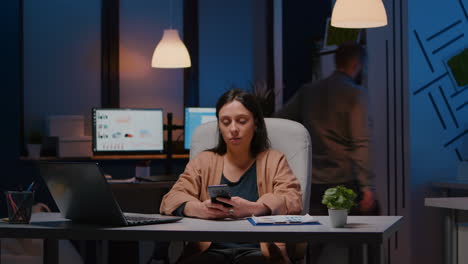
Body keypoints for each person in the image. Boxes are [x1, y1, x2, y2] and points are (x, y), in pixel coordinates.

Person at [160, 88, 303, 264]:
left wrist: (255, 208)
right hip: (209, 251)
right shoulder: (204, 161)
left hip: (260, 252)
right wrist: (199, 209)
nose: (233, 129)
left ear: (256, 123)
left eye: (242, 121)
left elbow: (293, 200)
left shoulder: (274, 159)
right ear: (219, 125)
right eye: (225, 122)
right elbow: (170, 199)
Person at [275, 42, 379, 263]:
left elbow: (279, 120)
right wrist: (367, 185)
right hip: (344, 183)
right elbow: (361, 142)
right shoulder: (355, 94)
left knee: (313, 243)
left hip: (314, 183)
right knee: (372, 228)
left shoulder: (308, 91)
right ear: (357, 64)